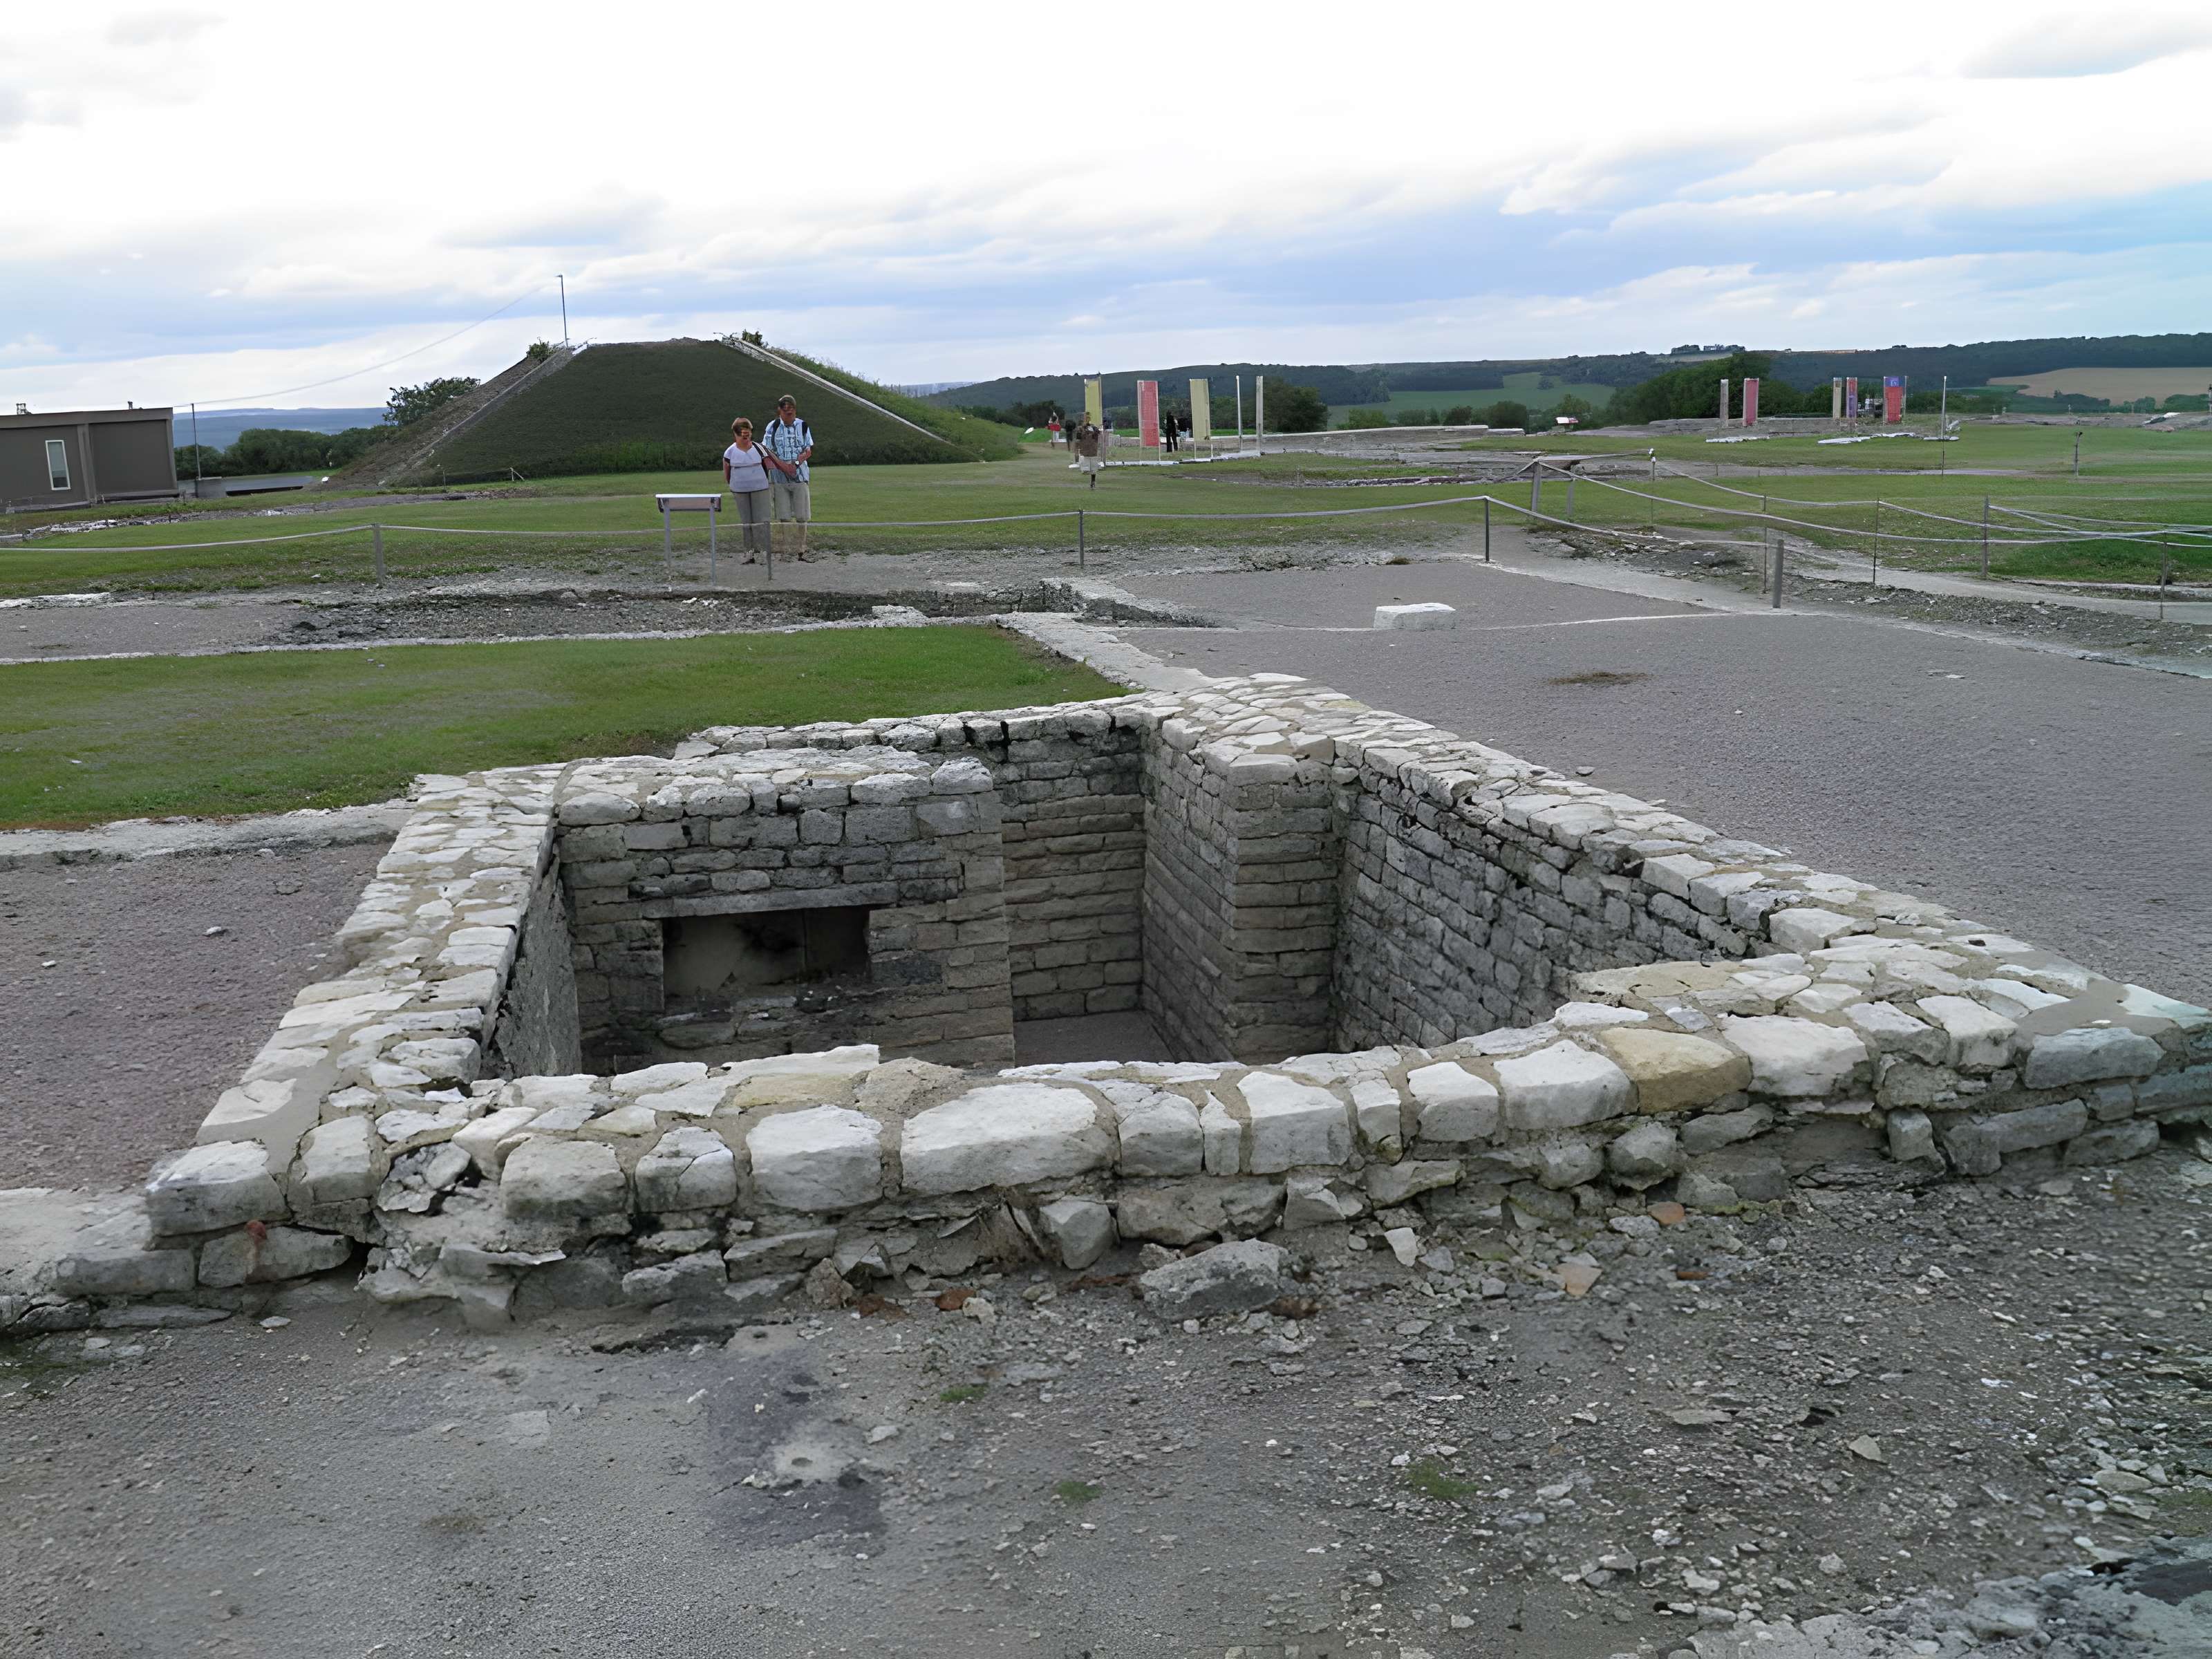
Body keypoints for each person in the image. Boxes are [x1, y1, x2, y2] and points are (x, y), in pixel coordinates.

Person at [762, 393, 814, 560]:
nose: (788, 415)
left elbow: (808, 450)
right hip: (779, 477)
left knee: (802, 515)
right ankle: (786, 548)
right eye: (785, 412)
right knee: (784, 515)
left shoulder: (803, 426)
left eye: (791, 412)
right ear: (780, 411)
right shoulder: (773, 427)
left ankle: (801, 549)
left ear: (795, 410)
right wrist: (782, 466)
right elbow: (767, 450)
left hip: (800, 476)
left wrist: (797, 464)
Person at [720, 416, 771, 562]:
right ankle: (749, 553)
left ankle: (762, 551)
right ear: (736, 434)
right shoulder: (729, 453)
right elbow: (727, 472)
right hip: (740, 490)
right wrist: (734, 485)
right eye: (742, 434)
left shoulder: (759, 449)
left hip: (760, 488)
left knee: (760, 521)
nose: (745, 437)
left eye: (748, 433)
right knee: (746, 522)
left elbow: (766, 467)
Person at [1071, 416, 1103, 487]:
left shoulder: (1094, 429)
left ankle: (1093, 481)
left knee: (1094, 468)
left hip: (1092, 451)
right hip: (1085, 451)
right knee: (1086, 467)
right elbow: (1078, 438)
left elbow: (1098, 433)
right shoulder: (1081, 429)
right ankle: (1091, 479)